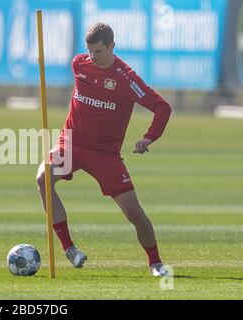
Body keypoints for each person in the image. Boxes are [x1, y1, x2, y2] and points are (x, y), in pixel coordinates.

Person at [36, 23, 172, 277]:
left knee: (134, 212)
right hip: (72, 143)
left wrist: (149, 137)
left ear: (111, 46)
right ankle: (70, 249)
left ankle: (155, 263)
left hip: (105, 155)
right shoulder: (79, 64)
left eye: (98, 51)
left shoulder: (126, 78)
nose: (92, 57)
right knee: (43, 178)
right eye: (89, 50)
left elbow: (163, 108)